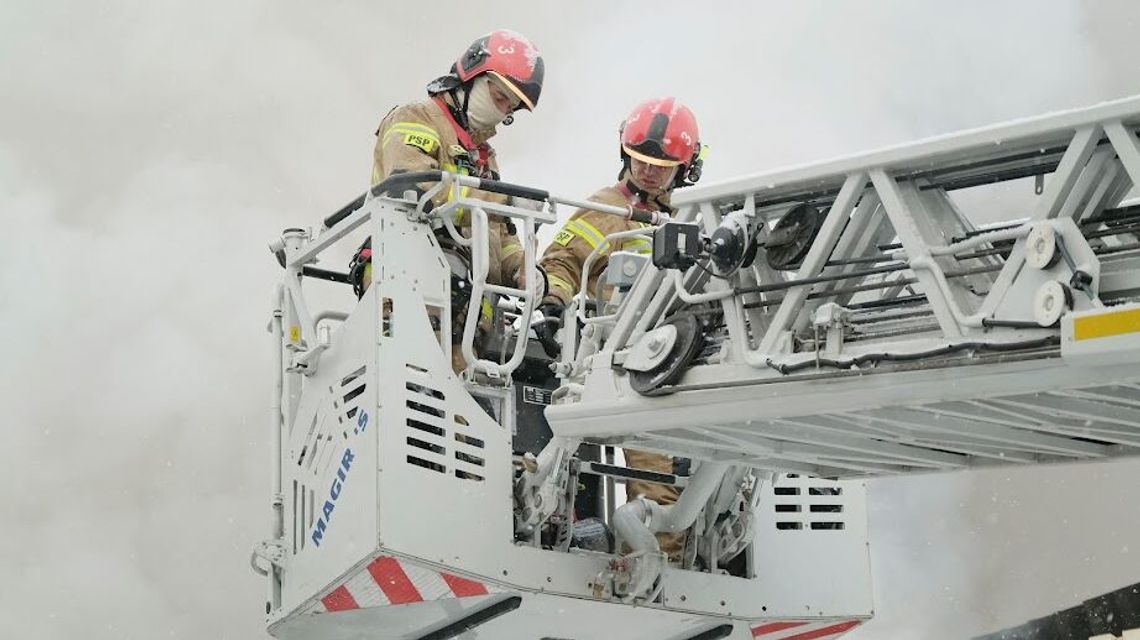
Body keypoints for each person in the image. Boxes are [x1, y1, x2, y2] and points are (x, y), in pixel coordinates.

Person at [536, 97, 704, 560]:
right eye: (640, 160)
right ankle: (656, 567)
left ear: (685, 169)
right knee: (656, 474)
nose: (648, 172)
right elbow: (561, 261)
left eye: (661, 166)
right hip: (624, 363)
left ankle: (668, 564)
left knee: (693, 474)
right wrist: (552, 303)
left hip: (680, 362)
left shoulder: (693, 218)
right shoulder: (607, 207)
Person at [349, 30, 545, 370]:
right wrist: (505, 199)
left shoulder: (484, 156)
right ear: (472, 75)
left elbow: (499, 233)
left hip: (468, 312)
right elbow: (416, 188)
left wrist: (523, 270)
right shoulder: (415, 118)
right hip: (413, 279)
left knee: (450, 395)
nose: (501, 112)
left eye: (510, 108)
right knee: (417, 386)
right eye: (500, 97)